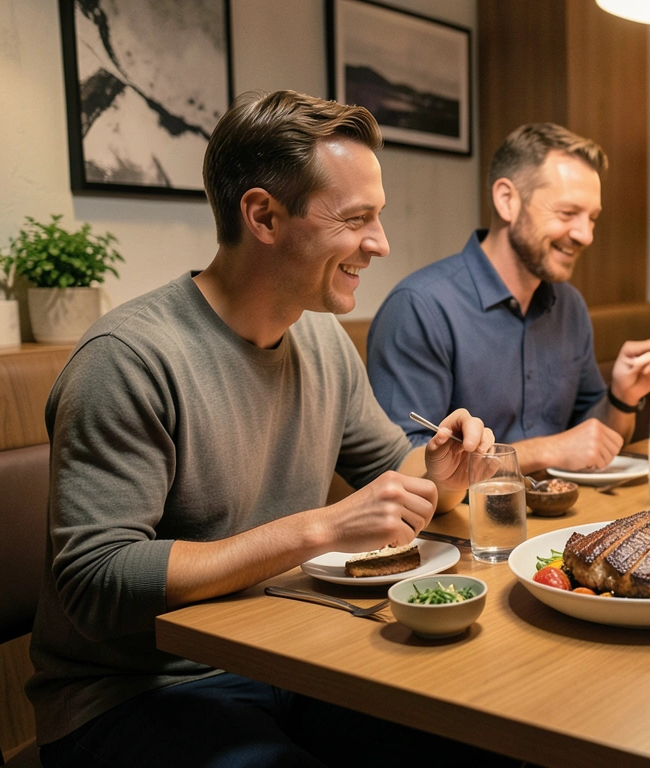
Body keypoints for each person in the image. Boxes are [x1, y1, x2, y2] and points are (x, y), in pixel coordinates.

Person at [26, 90, 516, 767]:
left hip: (291, 660)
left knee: (486, 740)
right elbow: (95, 580)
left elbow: (391, 473)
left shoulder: (321, 342)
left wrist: (440, 477)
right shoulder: (128, 359)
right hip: (133, 695)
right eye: (358, 219)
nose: (381, 243)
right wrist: (318, 528)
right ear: (263, 215)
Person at [365, 123, 650, 474]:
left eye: (593, 219)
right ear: (507, 200)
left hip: (564, 520)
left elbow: (595, 442)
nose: (585, 235)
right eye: (568, 214)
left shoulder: (569, 306)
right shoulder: (419, 307)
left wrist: (622, 396)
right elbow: (402, 467)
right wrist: (544, 450)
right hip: (459, 527)